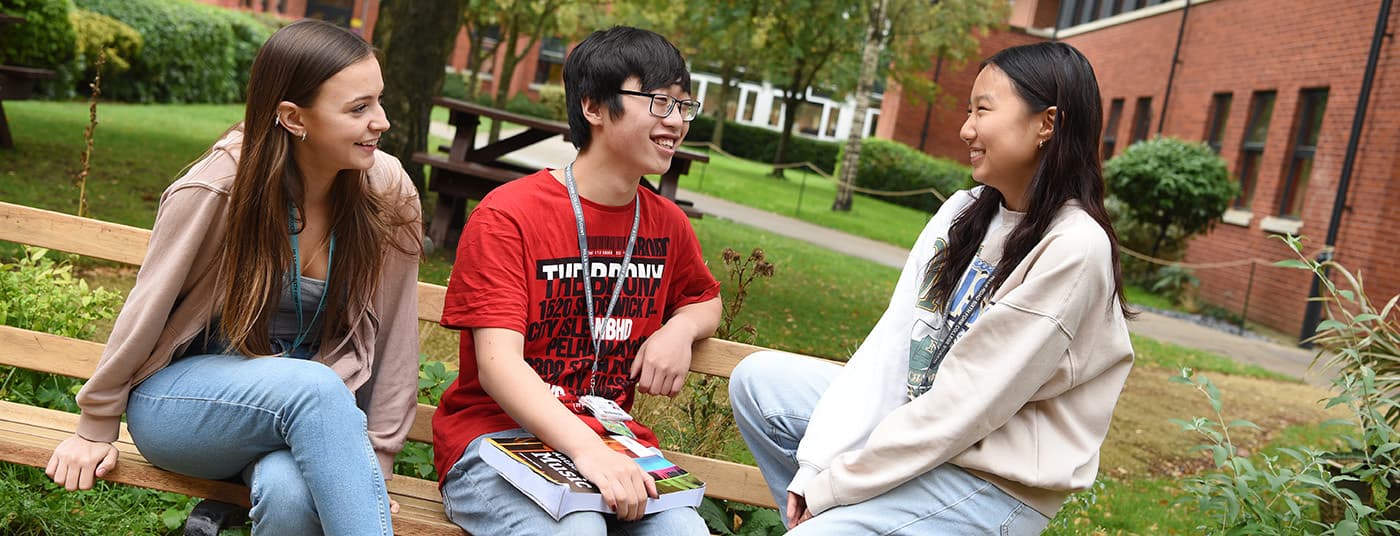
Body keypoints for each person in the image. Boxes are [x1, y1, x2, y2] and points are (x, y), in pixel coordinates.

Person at [729, 41, 1136, 535]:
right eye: (969, 111)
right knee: (760, 384)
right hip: (923, 423)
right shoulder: (966, 210)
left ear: (1046, 123)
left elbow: (962, 409)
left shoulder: (1074, 247)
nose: (967, 129)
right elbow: (895, 342)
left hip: (989, 481)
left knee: (824, 522)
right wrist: (818, 469)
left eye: (982, 110)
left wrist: (837, 486)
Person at [44, 19, 422, 535]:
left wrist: (373, 458)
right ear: (293, 117)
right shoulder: (219, 188)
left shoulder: (386, 188)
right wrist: (95, 424)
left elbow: (397, 329)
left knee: (291, 495)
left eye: (379, 101)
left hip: (312, 415)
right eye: (358, 108)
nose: (381, 121)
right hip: (184, 402)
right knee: (314, 387)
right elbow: (147, 307)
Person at [431, 26, 721, 536]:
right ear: (593, 107)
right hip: (496, 440)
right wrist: (587, 452)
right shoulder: (509, 216)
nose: (675, 121)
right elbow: (499, 367)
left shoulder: (666, 223)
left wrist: (679, 330)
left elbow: (703, 298)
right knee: (580, 526)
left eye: (683, 105)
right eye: (658, 102)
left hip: (612, 442)